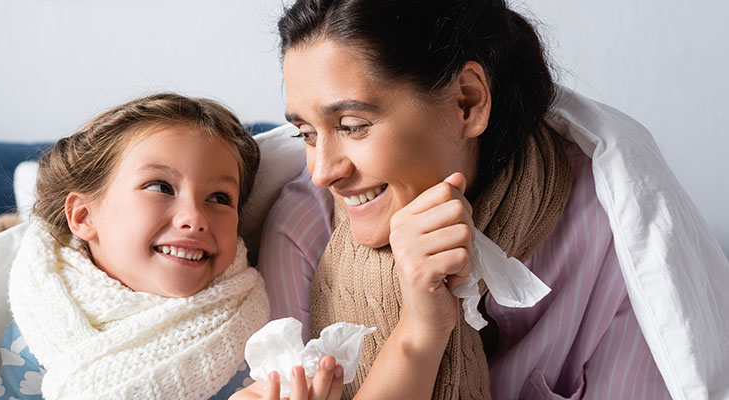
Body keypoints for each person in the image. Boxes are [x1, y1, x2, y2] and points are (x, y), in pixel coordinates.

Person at [256, 0, 729, 399]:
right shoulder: (302, 229)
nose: (323, 172)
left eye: (353, 126)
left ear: (467, 101)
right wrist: (418, 330)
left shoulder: (610, 227)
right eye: (306, 133)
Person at [0, 93, 344, 400]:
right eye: (161, 188)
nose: (195, 218)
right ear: (84, 217)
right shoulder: (34, 332)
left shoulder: (257, 338)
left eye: (220, 197)